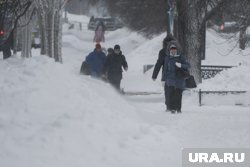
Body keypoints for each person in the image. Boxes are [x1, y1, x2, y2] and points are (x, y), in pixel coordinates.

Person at [163, 42, 190, 113]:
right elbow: (165, 69)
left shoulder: (181, 57)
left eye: (174, 49)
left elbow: (188, 65)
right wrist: (163, 79)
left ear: (177, 49)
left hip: (179, 79)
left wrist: (180, 65)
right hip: (170, 79)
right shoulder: (167, 58)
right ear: (169, 50)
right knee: (171, 94)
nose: (173, 50)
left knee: (178, 94)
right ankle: (172, 108)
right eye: (171, 49)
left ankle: (178, 109)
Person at [152, 34, 176, 111]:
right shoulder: (162, 52)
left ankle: (173, 106)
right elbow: (159, 63)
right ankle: (169, 106)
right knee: (168, 91)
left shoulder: (177, 51)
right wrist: (154, 75)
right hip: (166, 76)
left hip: (175, 75)